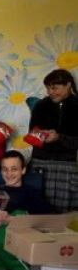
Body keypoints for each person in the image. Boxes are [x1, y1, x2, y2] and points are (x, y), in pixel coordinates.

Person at [27, 69, 78, 211]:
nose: (50, 92)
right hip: (40, 165)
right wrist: (38, 136)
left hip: (67, 168)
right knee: (38, 211)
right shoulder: (40, 106)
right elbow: (32, 135)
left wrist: (59, 138)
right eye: (48, 88)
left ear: (68, 85)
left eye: (55, 87)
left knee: (65, 216)